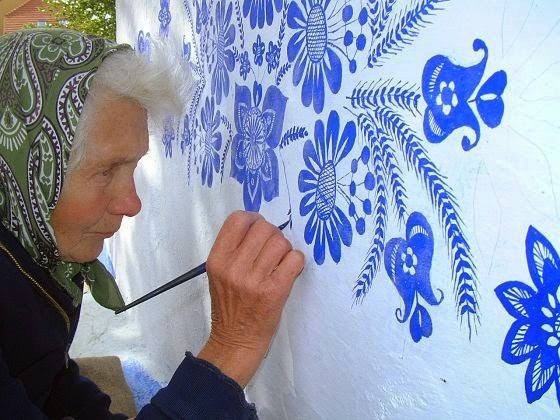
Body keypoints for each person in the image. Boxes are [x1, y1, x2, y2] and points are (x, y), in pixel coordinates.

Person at [0, 28, 304, 419]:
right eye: (107, 171)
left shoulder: (35, 256)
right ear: (27, 169)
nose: (132, 204)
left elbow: (43, 376)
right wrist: (232, 347)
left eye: (133, 167)